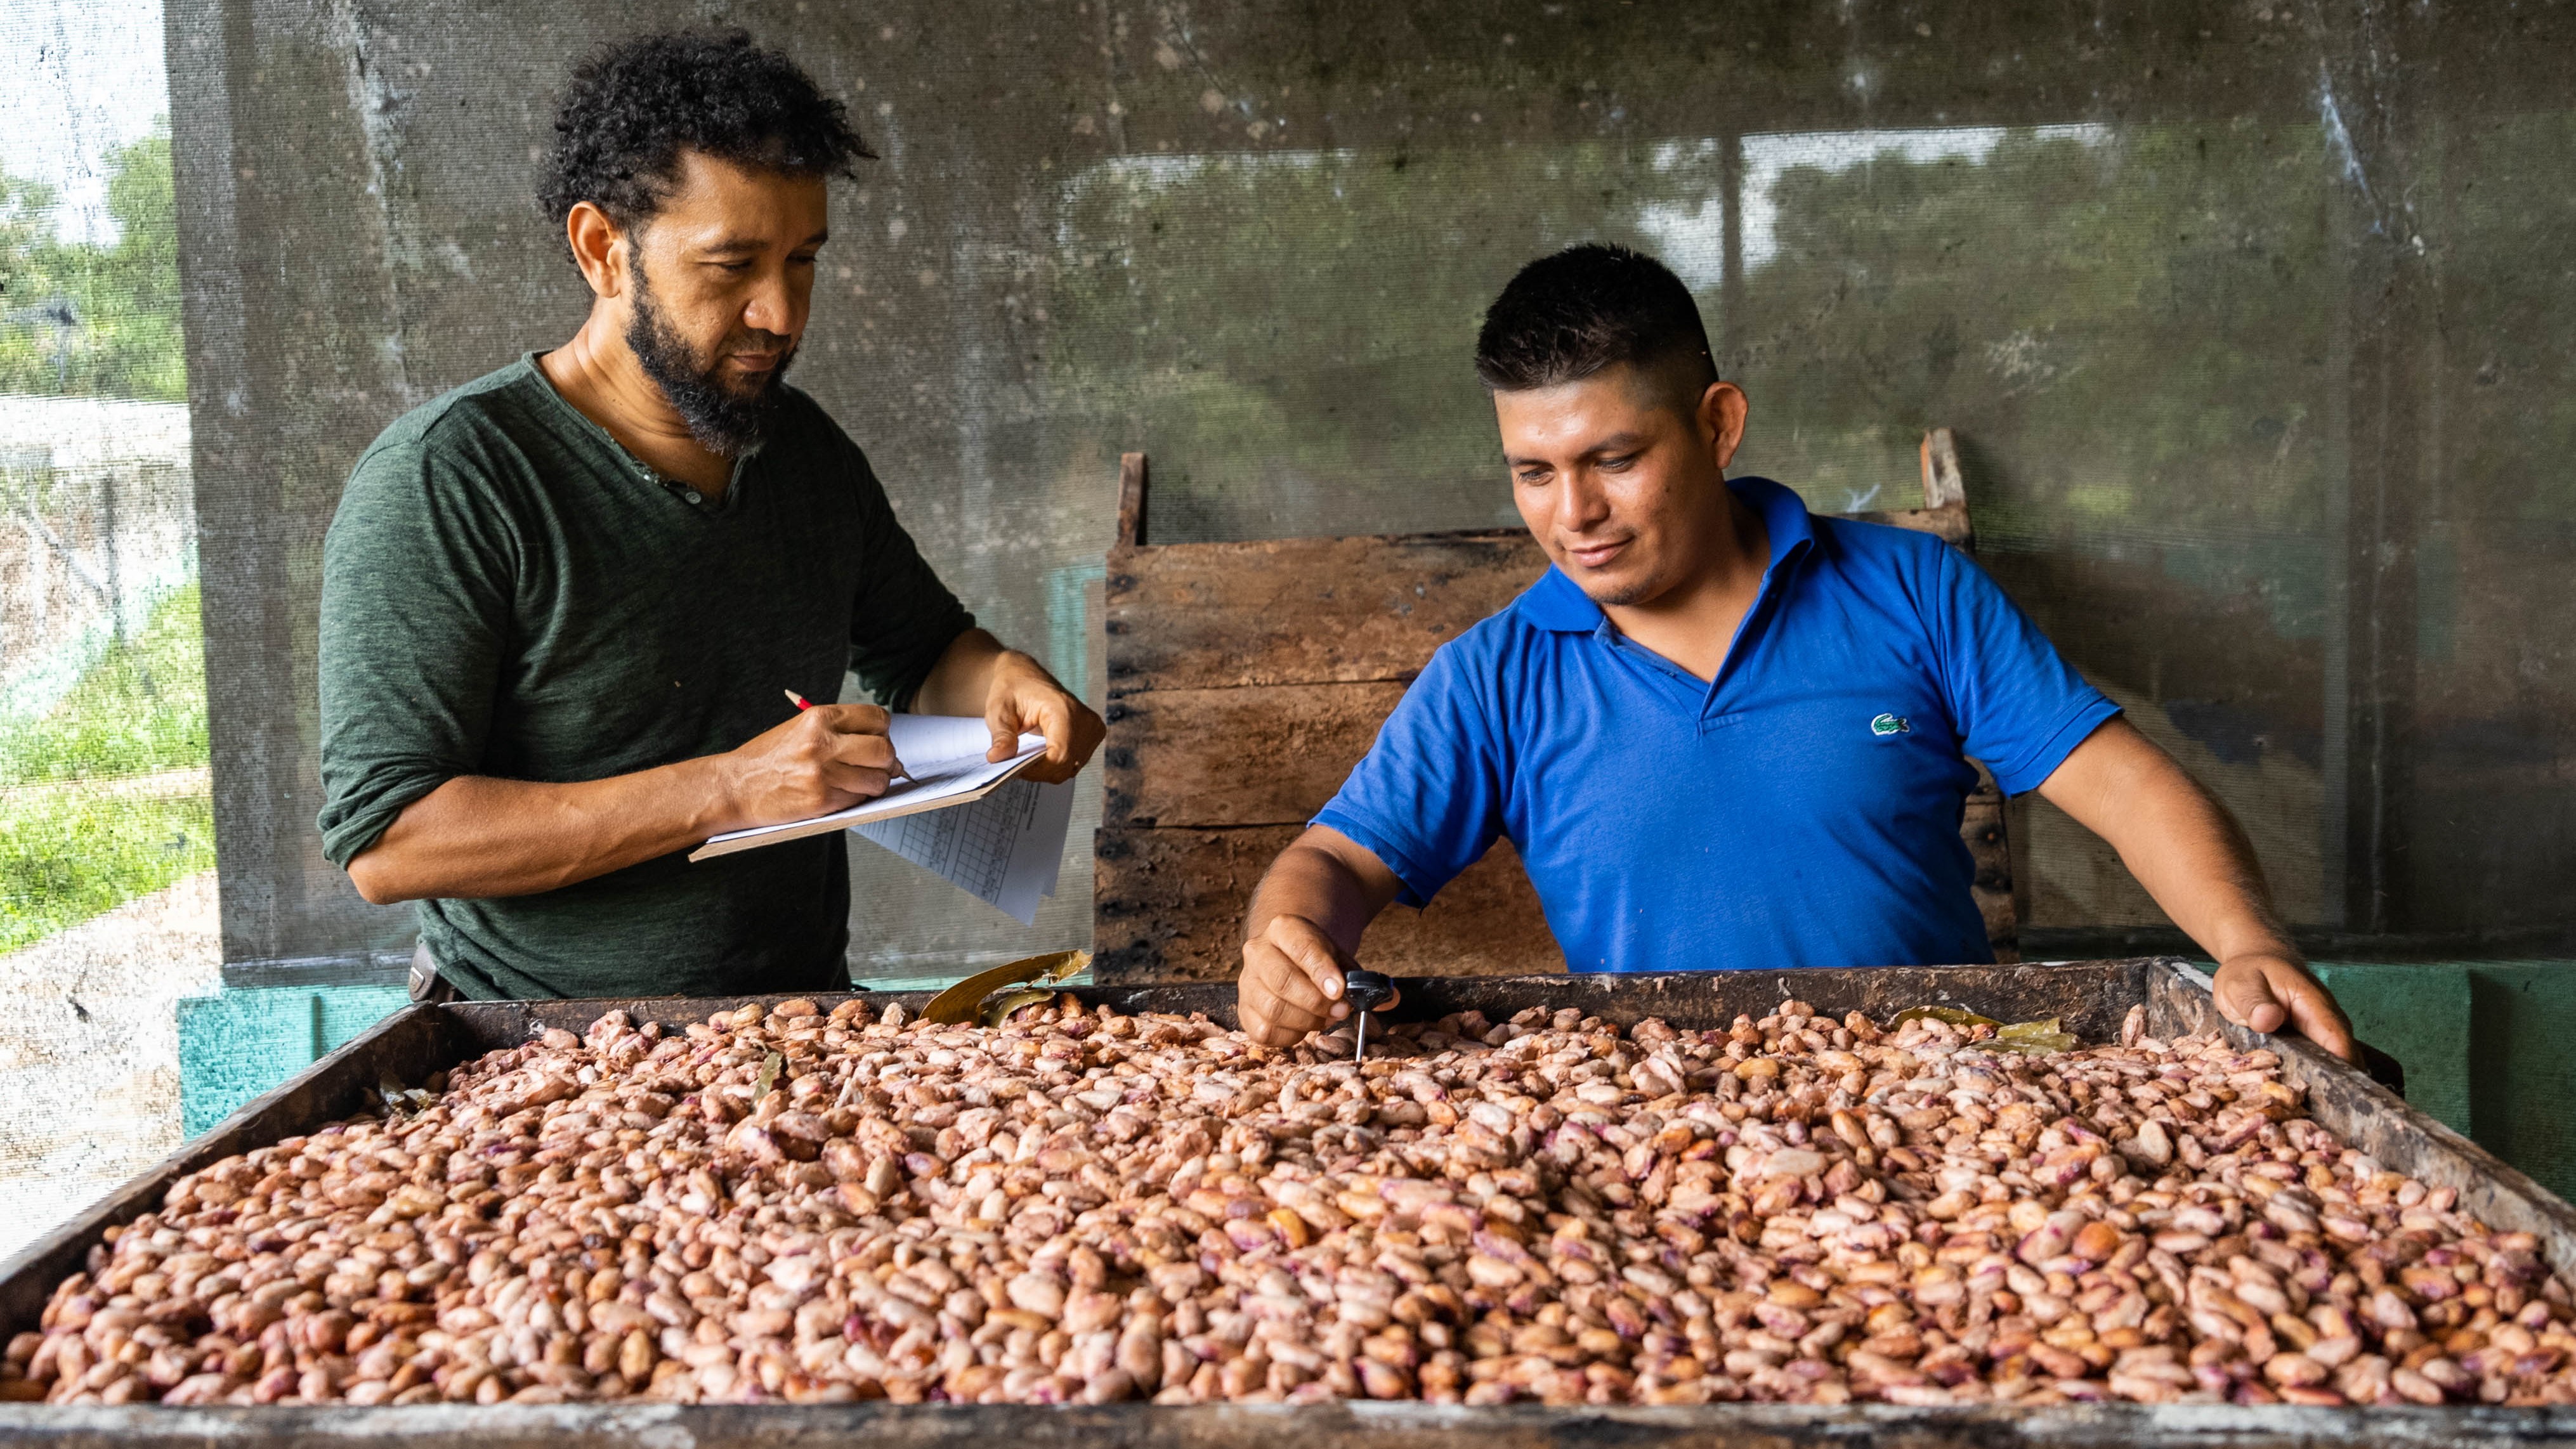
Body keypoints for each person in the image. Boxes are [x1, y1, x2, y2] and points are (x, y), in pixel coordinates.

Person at [1235, 243, 2351, 1060]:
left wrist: (2247, 942)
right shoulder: (1497, 674)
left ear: (1718, 425)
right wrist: (1284, 944)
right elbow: (1332, 863)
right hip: (1660, 1125)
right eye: (1534, 472)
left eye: (1613, 458)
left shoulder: (1908, 591)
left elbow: (2124, 784)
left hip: (1949, 1095)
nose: (1573, 512)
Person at [317, 31, 1102, 1001]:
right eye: (730, 266)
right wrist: (727, 790)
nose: (781, 313)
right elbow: (388, 839)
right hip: (540, 1060)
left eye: (803, 261)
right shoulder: (450, 480)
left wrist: (1005, 680)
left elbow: (924, 649)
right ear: (603, 250)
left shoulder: (800, 448)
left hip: (807, 1029)